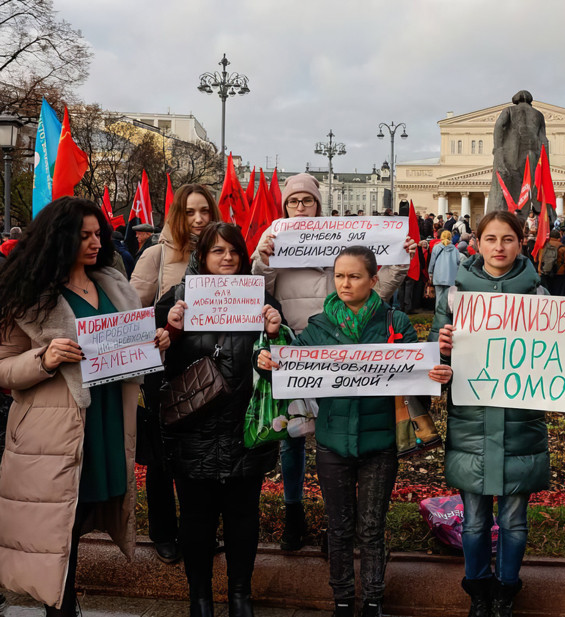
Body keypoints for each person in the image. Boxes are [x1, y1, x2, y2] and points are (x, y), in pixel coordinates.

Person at [257, 246, 451, 617]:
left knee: (372, 527)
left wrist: (438, 369)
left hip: (381, 443)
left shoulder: (395, 322)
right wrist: (267, 357)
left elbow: (419, 372)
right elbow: (288, 367)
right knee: (340, 527)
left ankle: (373, 601)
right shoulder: (319, 326)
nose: (345, 284)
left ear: (374, 280)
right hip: (332, 443)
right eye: (340, 276)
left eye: (354, 276)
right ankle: (343, 602)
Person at [0, 197, 169, 616]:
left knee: (82, 516)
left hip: (107, 421)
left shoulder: (114, 282)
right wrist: (44, 359)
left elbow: (130, 344)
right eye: (84, 236)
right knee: (59, 526)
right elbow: (4, 367)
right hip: (54, 434)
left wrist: (156, 342)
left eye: (98, 235)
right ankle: (59, 610)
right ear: (59, 239)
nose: (96, 243)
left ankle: (65, 604)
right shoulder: (27, 293)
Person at [252, 172, 413, 551]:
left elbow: (376, 289)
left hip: (342, 354)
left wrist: (400, 258)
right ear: (284, 206)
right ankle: (294, 514)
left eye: (307, 200)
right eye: (293, 201)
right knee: (293, 439)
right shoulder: (274, 239)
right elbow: (258, 289)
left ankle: (337, 525)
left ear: (318, 205)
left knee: (338, 444)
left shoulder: (341, 241)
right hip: (298, 350)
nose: (300, 207)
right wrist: (264, 260)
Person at [429, 211, 551, 617]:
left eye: (508, 239)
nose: (499, 247)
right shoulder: (453, 297)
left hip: (520, 423)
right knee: (475, 521)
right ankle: (478, 590)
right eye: (491, 239)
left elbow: (561, 356)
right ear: (476, 243)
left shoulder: (539, 296)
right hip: (472, 423)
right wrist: (441, 353)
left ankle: (506, 591)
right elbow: (436, 363)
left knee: (514, 520)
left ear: (521, 243)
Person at [159, 223, 281, 617]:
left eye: (233, 250)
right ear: (202, 256)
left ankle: (240, 596)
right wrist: (171, 331)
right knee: (196, 522)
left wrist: (275, 335)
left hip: (245, 429)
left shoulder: (261, 299)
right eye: (217, 250)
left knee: (243, 519)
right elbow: (154, 365)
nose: (227, 257)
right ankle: (200, 598)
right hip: (193, 431)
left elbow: (280, 364)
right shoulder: (177, 299)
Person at [131, 183, 222, 563]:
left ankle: (198, 532)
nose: (198, 219)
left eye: (205, 211)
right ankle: (163, 531)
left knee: (203, 454)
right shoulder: (155, 254)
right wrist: (163, 325)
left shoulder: (223, 251)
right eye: (190, 212)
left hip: (211, 367)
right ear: (177, 216)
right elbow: (131, 313)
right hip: (165, 366)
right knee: (162, 456)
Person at [429, 230, 462, 311]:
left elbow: (432, 262)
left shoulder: (436, 248)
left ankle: (438, 314)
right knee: (448, 298)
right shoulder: (455, 249)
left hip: (438, 276)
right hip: (451, 276)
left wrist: (430, 273)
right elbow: (458, 262)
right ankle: (446, 314)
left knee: (439, 297)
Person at [538, 229, 565, 295]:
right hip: (559, 274)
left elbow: (540, 259)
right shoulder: (562, 247)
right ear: (559, 238)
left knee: (547, 292)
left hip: (546, 272)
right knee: (557, 293)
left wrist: (540, 270)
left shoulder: (544, 246)